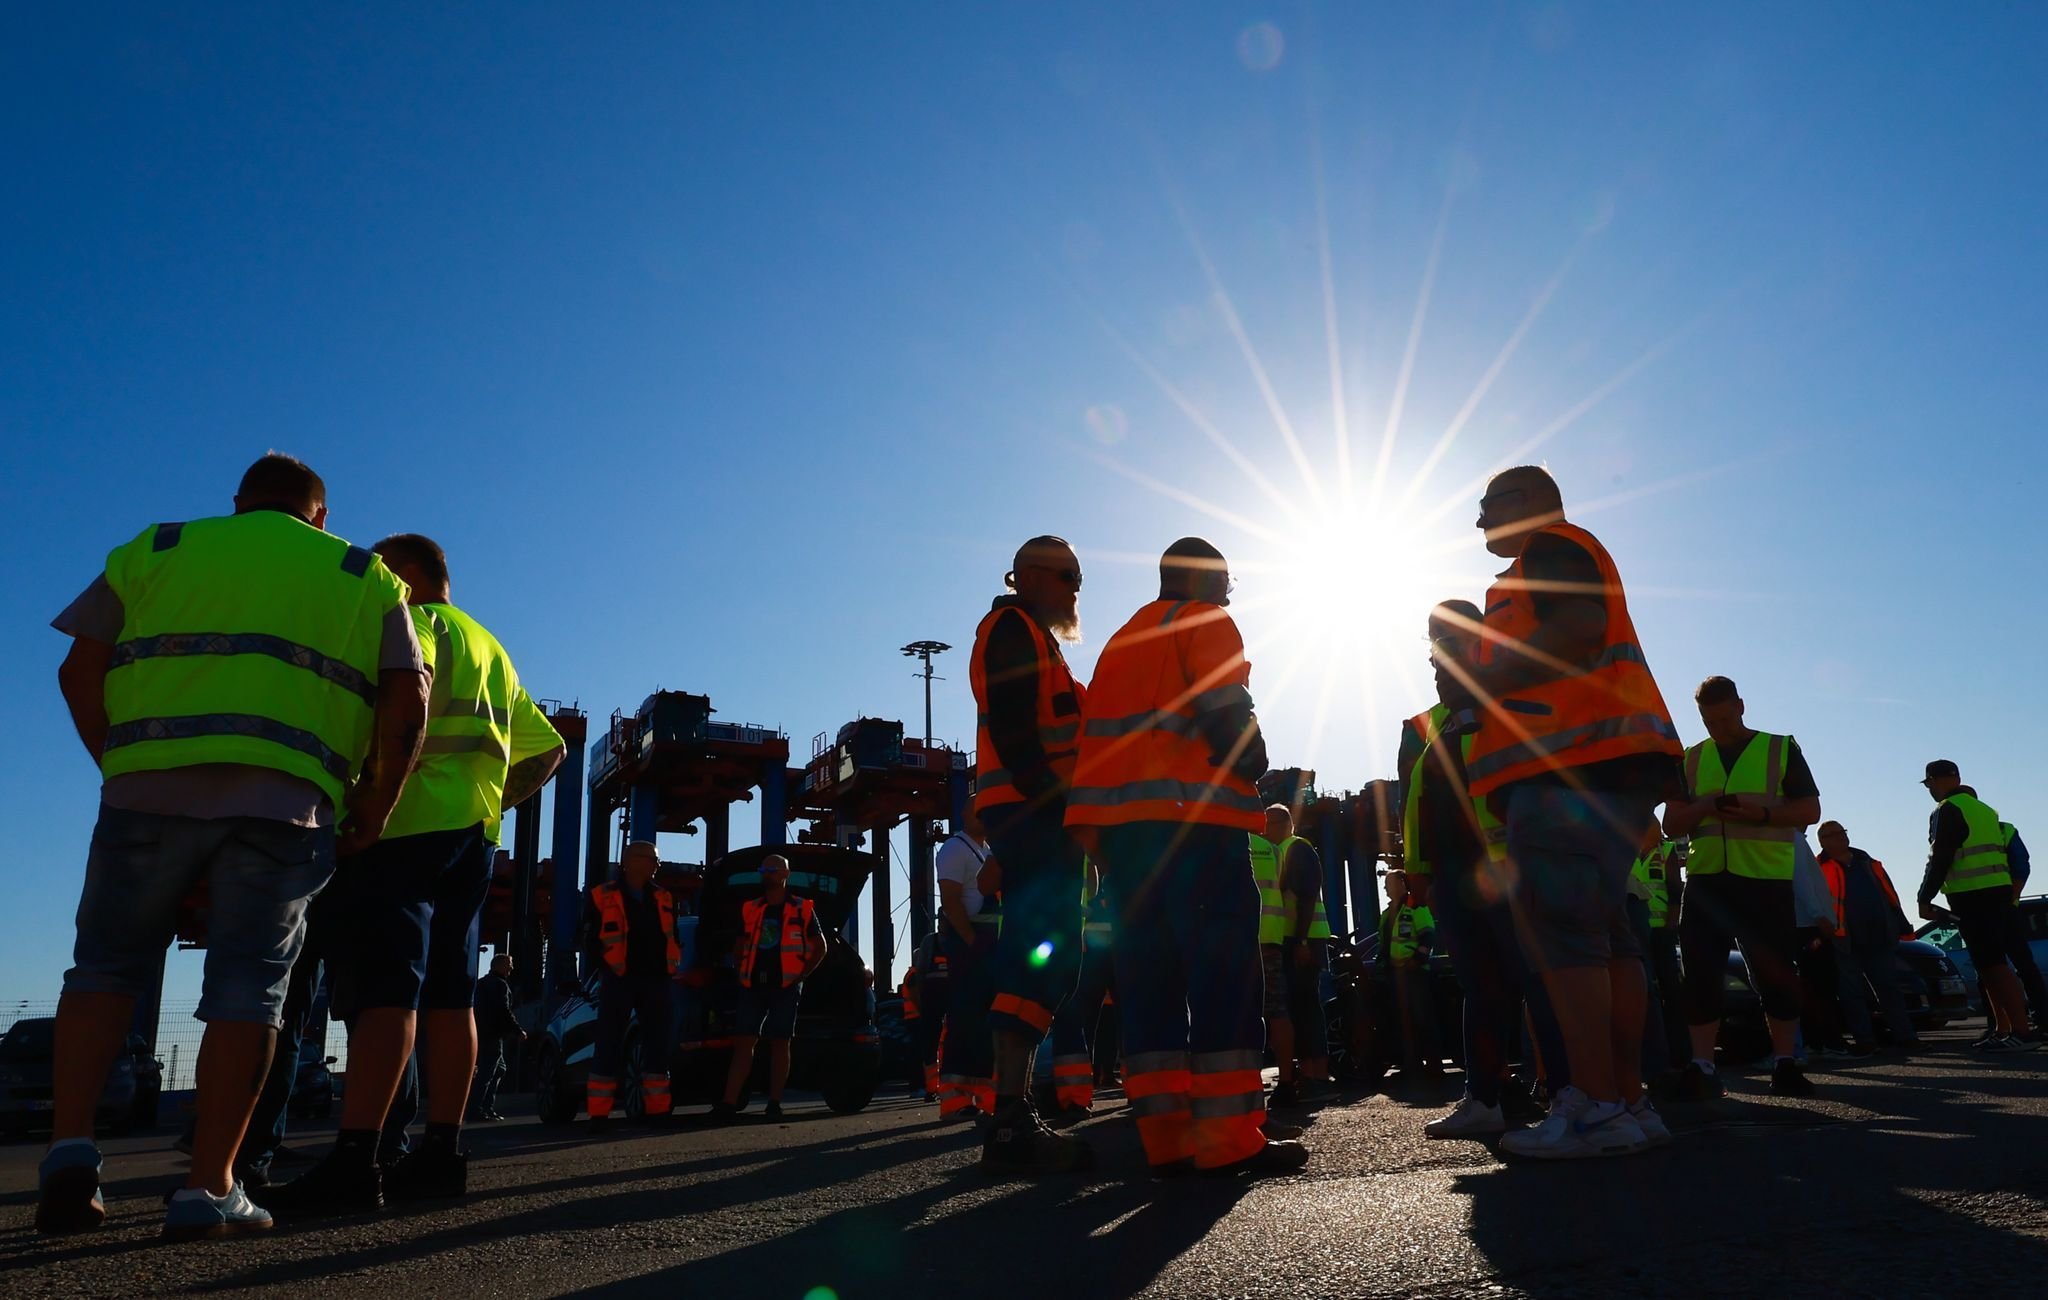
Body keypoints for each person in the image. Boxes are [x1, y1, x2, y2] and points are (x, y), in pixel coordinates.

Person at [39, 454, 425, 1240]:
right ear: (318, 516)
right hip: (285, 802)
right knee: (250, 990)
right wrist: (374, 809)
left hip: (145, 790)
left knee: (105, 967)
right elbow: (407, 700)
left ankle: (71, 1158)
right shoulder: (363, 572)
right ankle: (209, 1187)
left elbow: (78, 669)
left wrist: (121, 762)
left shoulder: (160, 546)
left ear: (240, 503)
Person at [260, 533, 564, 1216]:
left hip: (399, 831)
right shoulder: (492, 647)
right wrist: (491, 803)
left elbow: (405, 708)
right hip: (473, 840)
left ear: (407, 574)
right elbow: (550, 749)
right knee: (453, 999)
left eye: (381, 571)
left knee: (386, 994)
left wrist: (372, 801)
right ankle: (440, 1154)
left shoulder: (412, 625)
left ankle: (354, 1159)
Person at [1066, 537, 1306, 1178]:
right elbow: (1227, 712)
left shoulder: (1123, 641)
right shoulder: (1205, 622)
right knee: (1223, 977)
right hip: (1195, 828)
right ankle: (1229, 1139)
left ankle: (1167, 1138)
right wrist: (1256, 763)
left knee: (1150, 985)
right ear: (1204, 580)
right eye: (1226, 581)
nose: (1230, 594)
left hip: (1127, 840)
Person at [1465, 466, 1684, 1160]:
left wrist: (1486, 681)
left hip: (1568, 769)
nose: (1478, 523)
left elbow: (1579, 628)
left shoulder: (1550, 550)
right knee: (1608, 936)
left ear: (1527, 501)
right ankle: (1624, 1099)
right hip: (1607, 764)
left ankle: (1595, 1107)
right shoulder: (1566, 550)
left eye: (1487, 507)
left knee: (1566, 937)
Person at [967, 536, 1094, 1171]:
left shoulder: (1039, 643)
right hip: (1033, 815)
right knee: (1040, 954)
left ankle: (1011, 1112)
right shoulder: (1011, 629)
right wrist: (1058, 808)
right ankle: (1010, 1116)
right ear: (1030, 577)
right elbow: (1018, 733)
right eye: (1069, 576)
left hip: (1036, 816)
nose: (1077, 589)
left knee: (1054, 958)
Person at [1663, 676, 1822, 1100]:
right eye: (1708, 721)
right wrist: (1704, 806)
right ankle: (1702, 1066)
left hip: (1764, 880)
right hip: (1708, 881)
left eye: (1723, 718)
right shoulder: (1691, 758)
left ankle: (1785, 1062)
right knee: (1700, 974)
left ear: (1741, 706)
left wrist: (1761, 815)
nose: (1717, 727)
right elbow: (1671, 824)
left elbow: (1810, 809)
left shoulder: (1780, 748)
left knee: (1776, 973)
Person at [1917, 763, 2035, 1051]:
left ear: (1941, 780)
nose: (1929, 788)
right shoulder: (1984, 809)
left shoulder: (1948, 809)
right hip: (1997, 894)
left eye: (1929, 782)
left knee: (1994, 965)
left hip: (1973, 897)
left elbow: (1940, 857)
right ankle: (2005, 1029)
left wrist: (1924, 896)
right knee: (1988, 966)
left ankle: (2021, 1031)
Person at [719, 854, 829, 1119]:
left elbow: (820, 947)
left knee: (780, 1042)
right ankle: (727, 1104)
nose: (766, 873)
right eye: (763, 869)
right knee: (745, 1041)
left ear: (785, 875)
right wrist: (740, 970)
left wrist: (801, 976)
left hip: (786, 985)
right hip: (752, 983)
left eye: (771, 869)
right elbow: (739, 945)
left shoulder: (802, 908)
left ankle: (774, 1103)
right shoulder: (751, 908)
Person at [583, 842, 683, 1122]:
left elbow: (671, 936)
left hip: (656, 979)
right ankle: (598, 1116)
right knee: (608, 1043)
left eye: (657, 860)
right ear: (630, 861)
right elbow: (591, 939)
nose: (657, 865)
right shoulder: (601, 895)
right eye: (653, 859)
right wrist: (606, 967)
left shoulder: (663, 897)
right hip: (619, 979)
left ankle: (658, 1112)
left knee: (656, 1046)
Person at [1815, 822, 1917, 1052]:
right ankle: (1865, 1041)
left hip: (1878, 937)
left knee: (1889, 988)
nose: (1840, 837)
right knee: (1852, 993)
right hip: (1842, 939)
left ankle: (1906, 1037)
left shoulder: (1869, 863)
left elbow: (1890, 895)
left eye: (1842, 832)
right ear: (1822, 841)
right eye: (1833, 834)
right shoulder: (1818, 867)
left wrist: (1900, 925)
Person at [933, 812, 998, 1120]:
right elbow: (950, 900)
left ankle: (985, 1098)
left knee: (985, 1024)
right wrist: (971, 941)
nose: (984, 815)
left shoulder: (987, 851)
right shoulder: (954, 848)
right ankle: (955, 1100)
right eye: (977, 810)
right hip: (970, 943)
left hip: (986, 944)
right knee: (964, 1020)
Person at [1044, 861, 1116, 1122]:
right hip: (1095, 949)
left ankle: (1076, 1097)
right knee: (1081, 1021)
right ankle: (1077, 1094)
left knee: (1081, 1021)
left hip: (1093, 949)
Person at [1630, 828, 1688, 1080]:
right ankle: (1648, 1057)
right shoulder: (1624, 848)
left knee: (1671, 991)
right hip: (1632, 930)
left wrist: (1672, 922)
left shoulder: (1666, 851)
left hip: (1661, 931)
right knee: (1643, 992)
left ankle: (1680, 1055)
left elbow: (1675, 888)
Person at [1375, 869, 1442, 1081]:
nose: (1386, 887)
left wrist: (1416, 961)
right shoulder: (1387, 914)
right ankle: (1411, 1064)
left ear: (1402, 884)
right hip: (1395, 975)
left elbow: (1428, 935)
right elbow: (1383, 945)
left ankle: (1433, 1065)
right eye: (1385, 884)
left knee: (1423, 1018)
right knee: (1403, 1021)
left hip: (1414, 974)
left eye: (1390, 883)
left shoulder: (1415, 906)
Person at [1995, 821, 2048, 1035]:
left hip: (1986, 909)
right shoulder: (2004, 830)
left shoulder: (1956, 828)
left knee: (1992, 969)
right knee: (2023, 967)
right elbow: (2021, 865)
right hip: (2006, 908)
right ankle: (2038, 1019)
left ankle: (2005, 1025)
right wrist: (2012, 896)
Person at [470, 954, 525, 1121]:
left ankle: (485, 1107)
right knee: (487, 1073)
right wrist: (517, 1030)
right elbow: (503, 1010)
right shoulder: (500, 985)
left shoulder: (482, 983)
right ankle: (477, 1110)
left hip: (482, 1033)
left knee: (499, 1069)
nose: (511, 967)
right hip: (493, 1035)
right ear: (500, 965)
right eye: (509, 963)